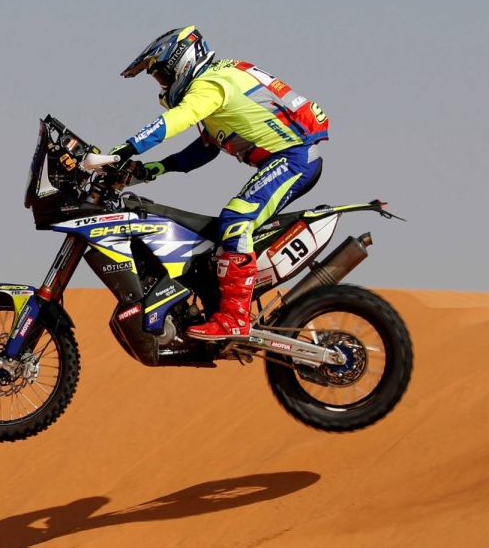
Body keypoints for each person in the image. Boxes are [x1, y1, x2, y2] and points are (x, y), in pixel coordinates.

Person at [109, 27, 329, 339]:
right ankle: (222, 300)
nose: (162, 85)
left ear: (181, 63)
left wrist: (124, 149)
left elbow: (175, 120)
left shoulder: (210, 84)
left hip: (295, 158)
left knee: (236, 220)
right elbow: (205, 148)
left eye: (161, 76)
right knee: (221, 232)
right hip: (288, 157)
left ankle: (235, 319)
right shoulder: (216, 80)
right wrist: (157, 168)